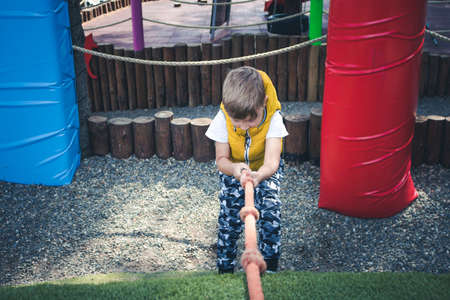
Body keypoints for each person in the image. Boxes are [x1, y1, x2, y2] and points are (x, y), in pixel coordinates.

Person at [205, 66, 288, 274]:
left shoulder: (274, 119)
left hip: (264, 170)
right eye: (238, 121)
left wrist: (259, 174)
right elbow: (221, 159)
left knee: (270, 211)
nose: (244, 127)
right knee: (229, 219)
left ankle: (269, 266)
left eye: (251, 120)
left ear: (264, 104)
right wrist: (234, 169)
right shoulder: (223, 118)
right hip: (234, 169)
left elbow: (272, 162)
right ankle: (225, 267)